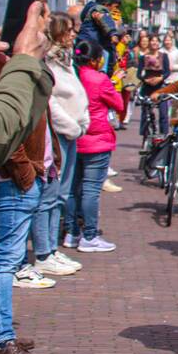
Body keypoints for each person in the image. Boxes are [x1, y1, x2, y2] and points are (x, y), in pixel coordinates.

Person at [0, 9, 60, 354]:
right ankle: (1, 338)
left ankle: (1, 330)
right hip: (10, 181)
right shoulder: (7, 65)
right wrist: (24, 170)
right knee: (4, 263)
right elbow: (7, 127)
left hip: (20, 176)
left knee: (5, 261)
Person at [32, 13, 88, 278]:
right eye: (69, 30)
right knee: (49, 195)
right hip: (60, 134)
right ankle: (43, 252)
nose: (74, 34)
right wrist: (71, 126)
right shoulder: (49, 62)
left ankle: (52, 248)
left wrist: (83, 117)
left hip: (72, 133)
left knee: (61, 195)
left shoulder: (67, 61)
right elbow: (50, 101)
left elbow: (76, 91)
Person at [63, 40, 123, 254]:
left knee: (72, 188)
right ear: (96, 59)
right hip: (96, 139)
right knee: (91, 189)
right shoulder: (100, 79)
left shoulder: (71, 75)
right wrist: (114, 83)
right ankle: (89, 235)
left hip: (73, 136)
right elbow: (119, 104)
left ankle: (71, 232)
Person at [0, 1, 54, 168]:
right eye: (45, 15)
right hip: (16, 181)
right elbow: (3, 130)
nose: (50, 20)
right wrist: (25, 59)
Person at [77, 0, 121, 74]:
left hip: (83, 41)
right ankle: (102, 73)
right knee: (105, 54)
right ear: (107, 4)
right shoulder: (100, 9)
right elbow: (105, 20)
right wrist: (113, 33)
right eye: (115, 7)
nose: (114, 10)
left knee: (79, 56)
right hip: (93, 43)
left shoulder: (90, 9)